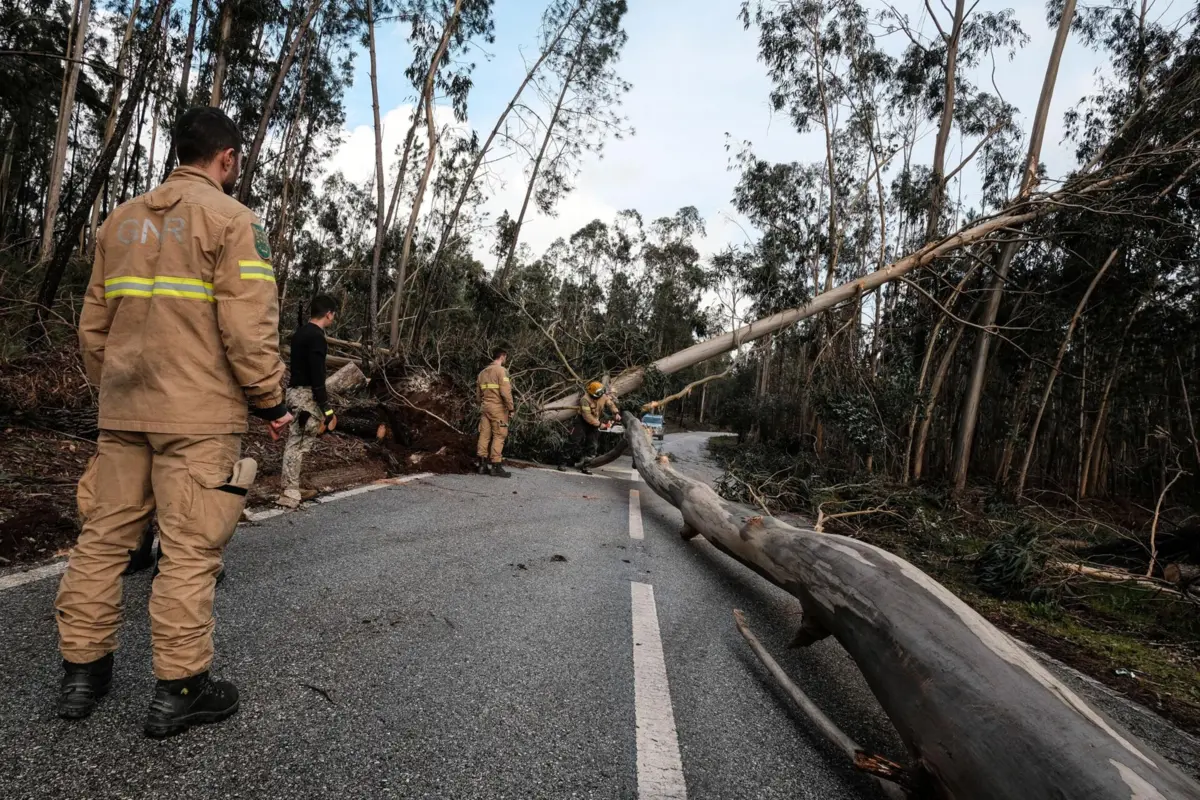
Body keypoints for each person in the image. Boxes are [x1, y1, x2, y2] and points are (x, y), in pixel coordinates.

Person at [55, 106, 292, 738]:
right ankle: (180, 690)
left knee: (102, 541)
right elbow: (249, 328)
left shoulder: (119, 223)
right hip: (198, 416)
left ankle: (83, 675)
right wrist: (270, 401)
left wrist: (117, 391)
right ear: (228, 159)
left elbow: (93, 329)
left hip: (124, 409)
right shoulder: (234, 222)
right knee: (190, 552)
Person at [276, 295, 338, 508]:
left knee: (298, 440)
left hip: (294, 391)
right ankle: (289, 491)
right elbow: (317, 373)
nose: (333, 317)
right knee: (299, 442)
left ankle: (291, 484)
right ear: (329, 313)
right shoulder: (316, 336)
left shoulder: (301, 333)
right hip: (306, 395)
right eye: (333, 314)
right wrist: (326, 407)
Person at [559, 381, 620, 474]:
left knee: (592, 445)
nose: (600, 395)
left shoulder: (603, 396)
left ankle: (587, 466)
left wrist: (616, 413)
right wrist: (600, 424)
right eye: (598, 394)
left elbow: (610, 403)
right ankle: (562, 462)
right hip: (582, 422)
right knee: (573, 441)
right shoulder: (585, 399)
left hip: (595, 422)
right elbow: (587, 416)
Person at [476, 345, 514, 478]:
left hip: (485, 407)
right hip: (498, 408)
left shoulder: (482, 373)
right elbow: (505, 391)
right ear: (502, 356)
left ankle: (482, 465)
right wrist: (511, 408)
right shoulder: (501, 371)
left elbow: (478, 395)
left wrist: (484, 404)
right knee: (499, 435)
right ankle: (496, 466)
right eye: (505, 357)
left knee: (484, 435)